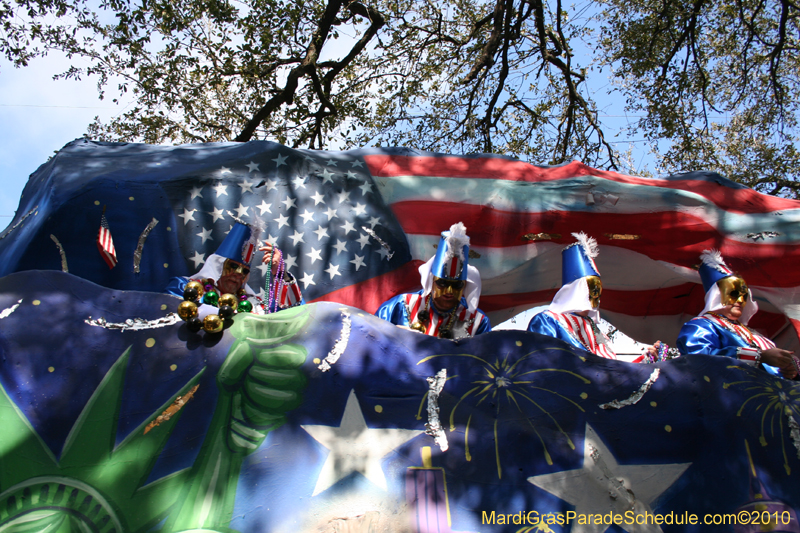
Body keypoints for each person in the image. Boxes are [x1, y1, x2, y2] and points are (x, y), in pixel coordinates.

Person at [527, 232, 659, 360]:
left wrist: (645, 359)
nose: (597, 294)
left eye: (599, 288)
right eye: (592, 287)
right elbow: (537, 364)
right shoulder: (547, 321)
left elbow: (611, 368)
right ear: (576, 290)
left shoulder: (593, 327)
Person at [676, 250, 798, 379]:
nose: (740, 301)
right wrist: (758, 356)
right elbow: (697, 358)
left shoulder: (754, 335)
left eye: (744, 296)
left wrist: (789, 369)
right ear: (716, 295)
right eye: (733, 294)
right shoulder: (701, 325)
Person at [375, 222, 491, 339]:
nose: (449, 290)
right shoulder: (399, 306)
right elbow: (372, 341)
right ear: (432, 280)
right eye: (442, 283)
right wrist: (394, 335)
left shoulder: (478, 322)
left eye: (457, 285)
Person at [166, 221, 303, 314]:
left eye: (244, 271)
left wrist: (280, 273)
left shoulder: (253, 305)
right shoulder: (186, 288)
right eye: (233, 266)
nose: (238, 274)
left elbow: (294, 311)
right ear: (218, 266)